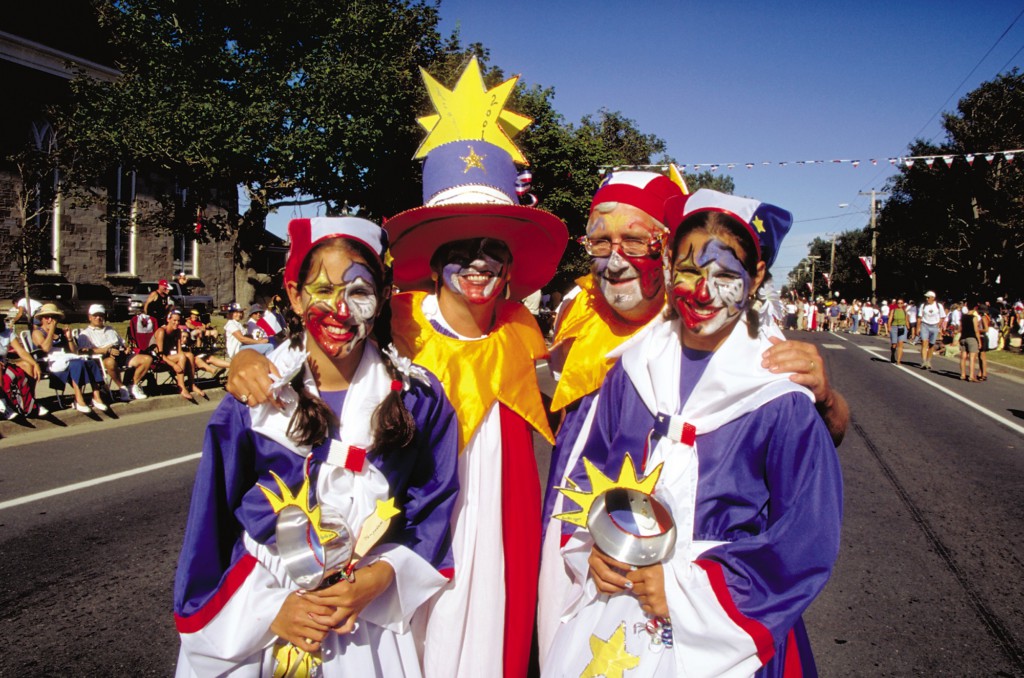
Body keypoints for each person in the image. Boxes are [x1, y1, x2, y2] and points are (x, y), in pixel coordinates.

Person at [537, 171, 849, 666]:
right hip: (617, 611)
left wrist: (687, 594)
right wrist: (593, 551)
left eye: (726, 276)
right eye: (687, 270)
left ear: (759, 275)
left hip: (727, 627)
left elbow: (805, 537)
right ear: (666, 265)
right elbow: (588, 481)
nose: (704, 293)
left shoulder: (780, 394)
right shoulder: (632, 371)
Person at [173, 216, 460, 677]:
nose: (341, 311)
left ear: (384, 297)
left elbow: (433, 512)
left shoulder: (420, 400)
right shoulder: (253, 399)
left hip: (363, 612)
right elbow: (211, 525)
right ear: (293, 294)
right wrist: (270, 609)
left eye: (360, 292)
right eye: (323, 290)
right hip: (259, 606)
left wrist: (378, 579)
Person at [31, 303, 109, 414]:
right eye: (47, 317)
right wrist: (51, 331)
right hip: (50, 363)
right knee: (76, 364)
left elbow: (74, 352)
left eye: (54, 317)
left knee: (90, 362)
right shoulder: (37, 332)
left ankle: (96, 396)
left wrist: (69, 338)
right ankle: (79, 399)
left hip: (66, 360)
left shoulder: (60, 332)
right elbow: (46, 348)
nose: (51, 320)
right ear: (42, 319)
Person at [76, 304, 153, 401]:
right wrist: (107, 350)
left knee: (147, 359)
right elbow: (84, 351)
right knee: (110, 362)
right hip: (103, 359)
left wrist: (127, 348)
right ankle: (122, 388)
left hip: (121, 355)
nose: (98, 318)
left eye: (101, 315)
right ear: (89, 317)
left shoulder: (110, 329)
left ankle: (132, 386)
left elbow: (123, 343)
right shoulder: (85, 334)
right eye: (95, 315)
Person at [148, 308, 206, 401]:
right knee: (182, 356)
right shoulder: (161, 331)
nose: (176, 323)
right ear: (168, 320)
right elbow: (160, 354)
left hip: (167, 356)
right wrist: (174, 365)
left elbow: (179, 350)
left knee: (190, 355)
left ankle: (192, 384)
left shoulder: (177, 331)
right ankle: (181, 387)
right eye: (174, 320)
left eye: (178, 321)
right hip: (157, 358)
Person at [0, 321, 46, 418]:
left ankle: (30, 402)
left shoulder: (7, 333)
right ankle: (3, 404)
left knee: (27, 365)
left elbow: (20, 351)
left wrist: (35, 364)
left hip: (3, 365)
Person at [918, 291, 945, 369]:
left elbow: (942, 317)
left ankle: (928, 361)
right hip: (924, 325)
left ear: (933, 298)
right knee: (924, 342)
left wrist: (938, 325)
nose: (927, 299)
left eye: (928, 297)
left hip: (934, 326)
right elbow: (919, 317)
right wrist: (918, 328)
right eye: (926, 297)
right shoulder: (923, 305)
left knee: (932, 344)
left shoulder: (938, 306)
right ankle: (924, 361)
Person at [959, 300, 981, 382]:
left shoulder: (963, 317)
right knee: (972, 358)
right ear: (975, 308)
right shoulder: (974, 318)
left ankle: (962, 374)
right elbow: (976, 330)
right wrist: (979, 341)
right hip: (972, 338)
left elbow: (960, 328)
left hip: (963, 337)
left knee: (963, 357)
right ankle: (971, 376)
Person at [889, 298, 909, 365]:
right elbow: (890, 319)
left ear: (903, 304)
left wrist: (908, 328)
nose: (900, 304)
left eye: (901, 303)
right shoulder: (893, 310)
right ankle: (892, 355)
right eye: (898, 303)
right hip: (894, 327)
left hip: (902, 327)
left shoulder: (905, 311)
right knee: (894, 344)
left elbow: (906, 320)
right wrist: (889, 327)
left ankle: (898, 360)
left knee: (900, 344)